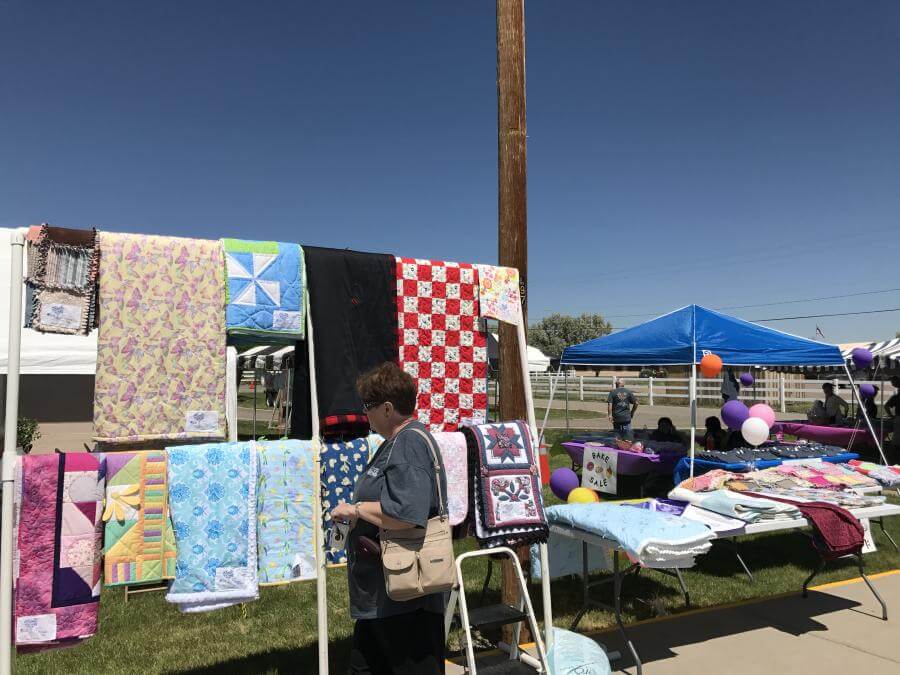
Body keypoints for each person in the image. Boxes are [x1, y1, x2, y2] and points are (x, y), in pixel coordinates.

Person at [331, 362, 448, 674]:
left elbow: (406, 514)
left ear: (386, 408)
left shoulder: (408, 445)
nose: (364, 414)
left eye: (367, 406)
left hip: (405, 598)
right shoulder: (397, 443)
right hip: (385, 596)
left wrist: (356, 511)